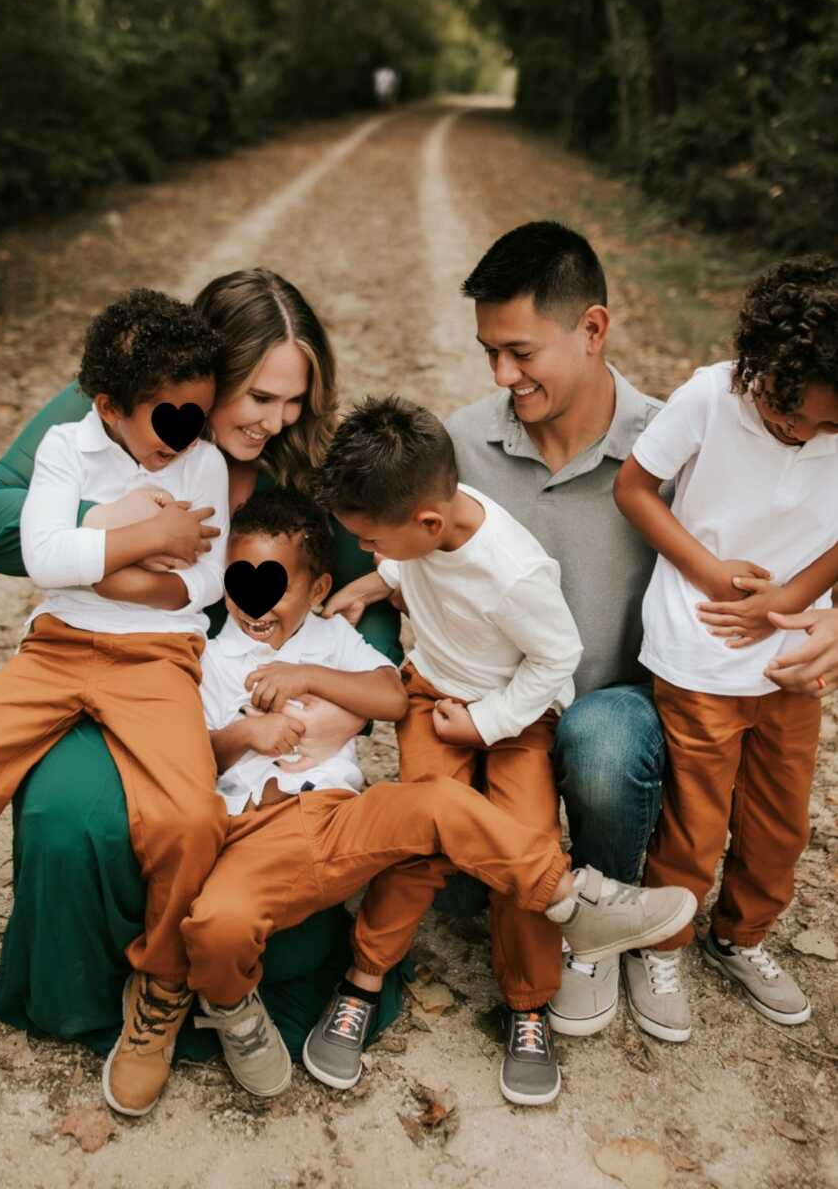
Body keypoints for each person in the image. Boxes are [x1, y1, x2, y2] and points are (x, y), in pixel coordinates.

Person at [0, 269, 405, 1061]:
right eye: (259, 398)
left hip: (218, 680)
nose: (277, 420)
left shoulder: (301, 455)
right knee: (70, 818)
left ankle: (180, 988)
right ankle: (80, 996)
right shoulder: (117, 407)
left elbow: (368, 581)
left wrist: (356, 669)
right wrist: (116, 528)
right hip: (117, 647)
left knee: (204, 829)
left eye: (294, 401)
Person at [181, 489, 696, 1104]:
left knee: (441, 804)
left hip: (339, 818)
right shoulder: (211, 658)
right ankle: (236, 1014)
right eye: (239, 582)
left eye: (274, 585)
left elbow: (392, 697)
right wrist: (246, 732)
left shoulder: (329, 640)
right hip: (253, 832)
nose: (253, 601)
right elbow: (197, 757)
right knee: (215, 930)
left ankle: (573, 905)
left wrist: (311, 677)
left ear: (317, 590)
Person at [0, 290, 232, 1118]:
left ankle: (161, 987)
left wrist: (97, 553)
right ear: (108, 406)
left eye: (199, 415)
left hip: (160, 656)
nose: (188, 433)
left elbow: (203, 580)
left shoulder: (203, 461)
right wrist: (148, 535)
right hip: (58, 645)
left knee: (190, 819)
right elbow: (41, 555)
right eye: (169, 418)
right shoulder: (67, 446)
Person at [319, 395, 584, 1105]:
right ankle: (364, 979)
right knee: (418, 831)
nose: (370, 550)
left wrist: (490, 722)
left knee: (526, 840)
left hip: (516, 714)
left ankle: (528, 1002)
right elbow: (412, 564)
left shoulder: (513, 572)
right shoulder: (422, 529)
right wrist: (376, 578)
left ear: (428, 523)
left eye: (371, 541)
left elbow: (558, 659)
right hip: (432, 695)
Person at [445, 221, 666, 1038]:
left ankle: (598, 926)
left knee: (599, 740)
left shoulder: (667, 447)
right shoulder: (466, 441)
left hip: (616, 708)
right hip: (501, 711)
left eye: (522, 352)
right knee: (459, 895)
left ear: (593, 328)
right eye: (489, 354)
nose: (504, 375)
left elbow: (763, 551)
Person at [614, 255, 838, 1041]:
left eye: (827, 428)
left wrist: (794, 597)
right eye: (791, 421)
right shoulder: (712, 395)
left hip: (792, 657)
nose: (806, 437)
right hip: (698, 648)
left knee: (781, 822)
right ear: (763, 370)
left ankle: (740, 935)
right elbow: (634, 488)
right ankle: (662, 940)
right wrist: (707, 571)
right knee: (695, 821)